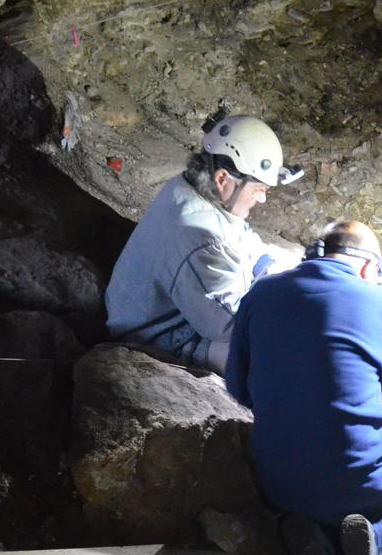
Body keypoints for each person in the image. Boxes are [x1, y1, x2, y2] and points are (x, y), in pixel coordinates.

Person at [227, 219, 382, 555]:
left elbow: (238, 389)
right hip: (355, 481)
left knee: (326, 484)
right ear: (366, 267)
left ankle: (315, 535)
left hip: (275, 482)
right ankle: (376, 542)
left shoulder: (260, 294)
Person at [104, 113, 294, 371]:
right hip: (161, 339)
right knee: (280, 359)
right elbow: (231, 325)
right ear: (222, 178)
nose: (262, 199)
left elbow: (243, 237)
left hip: (160, 313)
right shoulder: (199, 236)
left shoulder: (191, 188)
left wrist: (273, 271)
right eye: (258, 189)